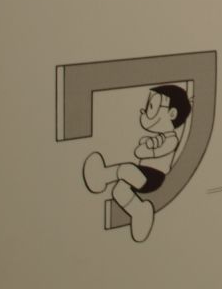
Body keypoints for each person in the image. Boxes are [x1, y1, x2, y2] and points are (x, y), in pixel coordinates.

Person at [82, 85, 191, 243]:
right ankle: (138, 211)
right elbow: (142, 151)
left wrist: (148, 148)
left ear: (171, 114)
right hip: (143, 173)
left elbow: (145, 153)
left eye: (152, 107)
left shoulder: (171, 139)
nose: (144, 111)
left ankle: (102, 176)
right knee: (119, 190)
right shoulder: (157, 138)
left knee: (126, 170)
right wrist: (147, 146)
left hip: (153, 177)